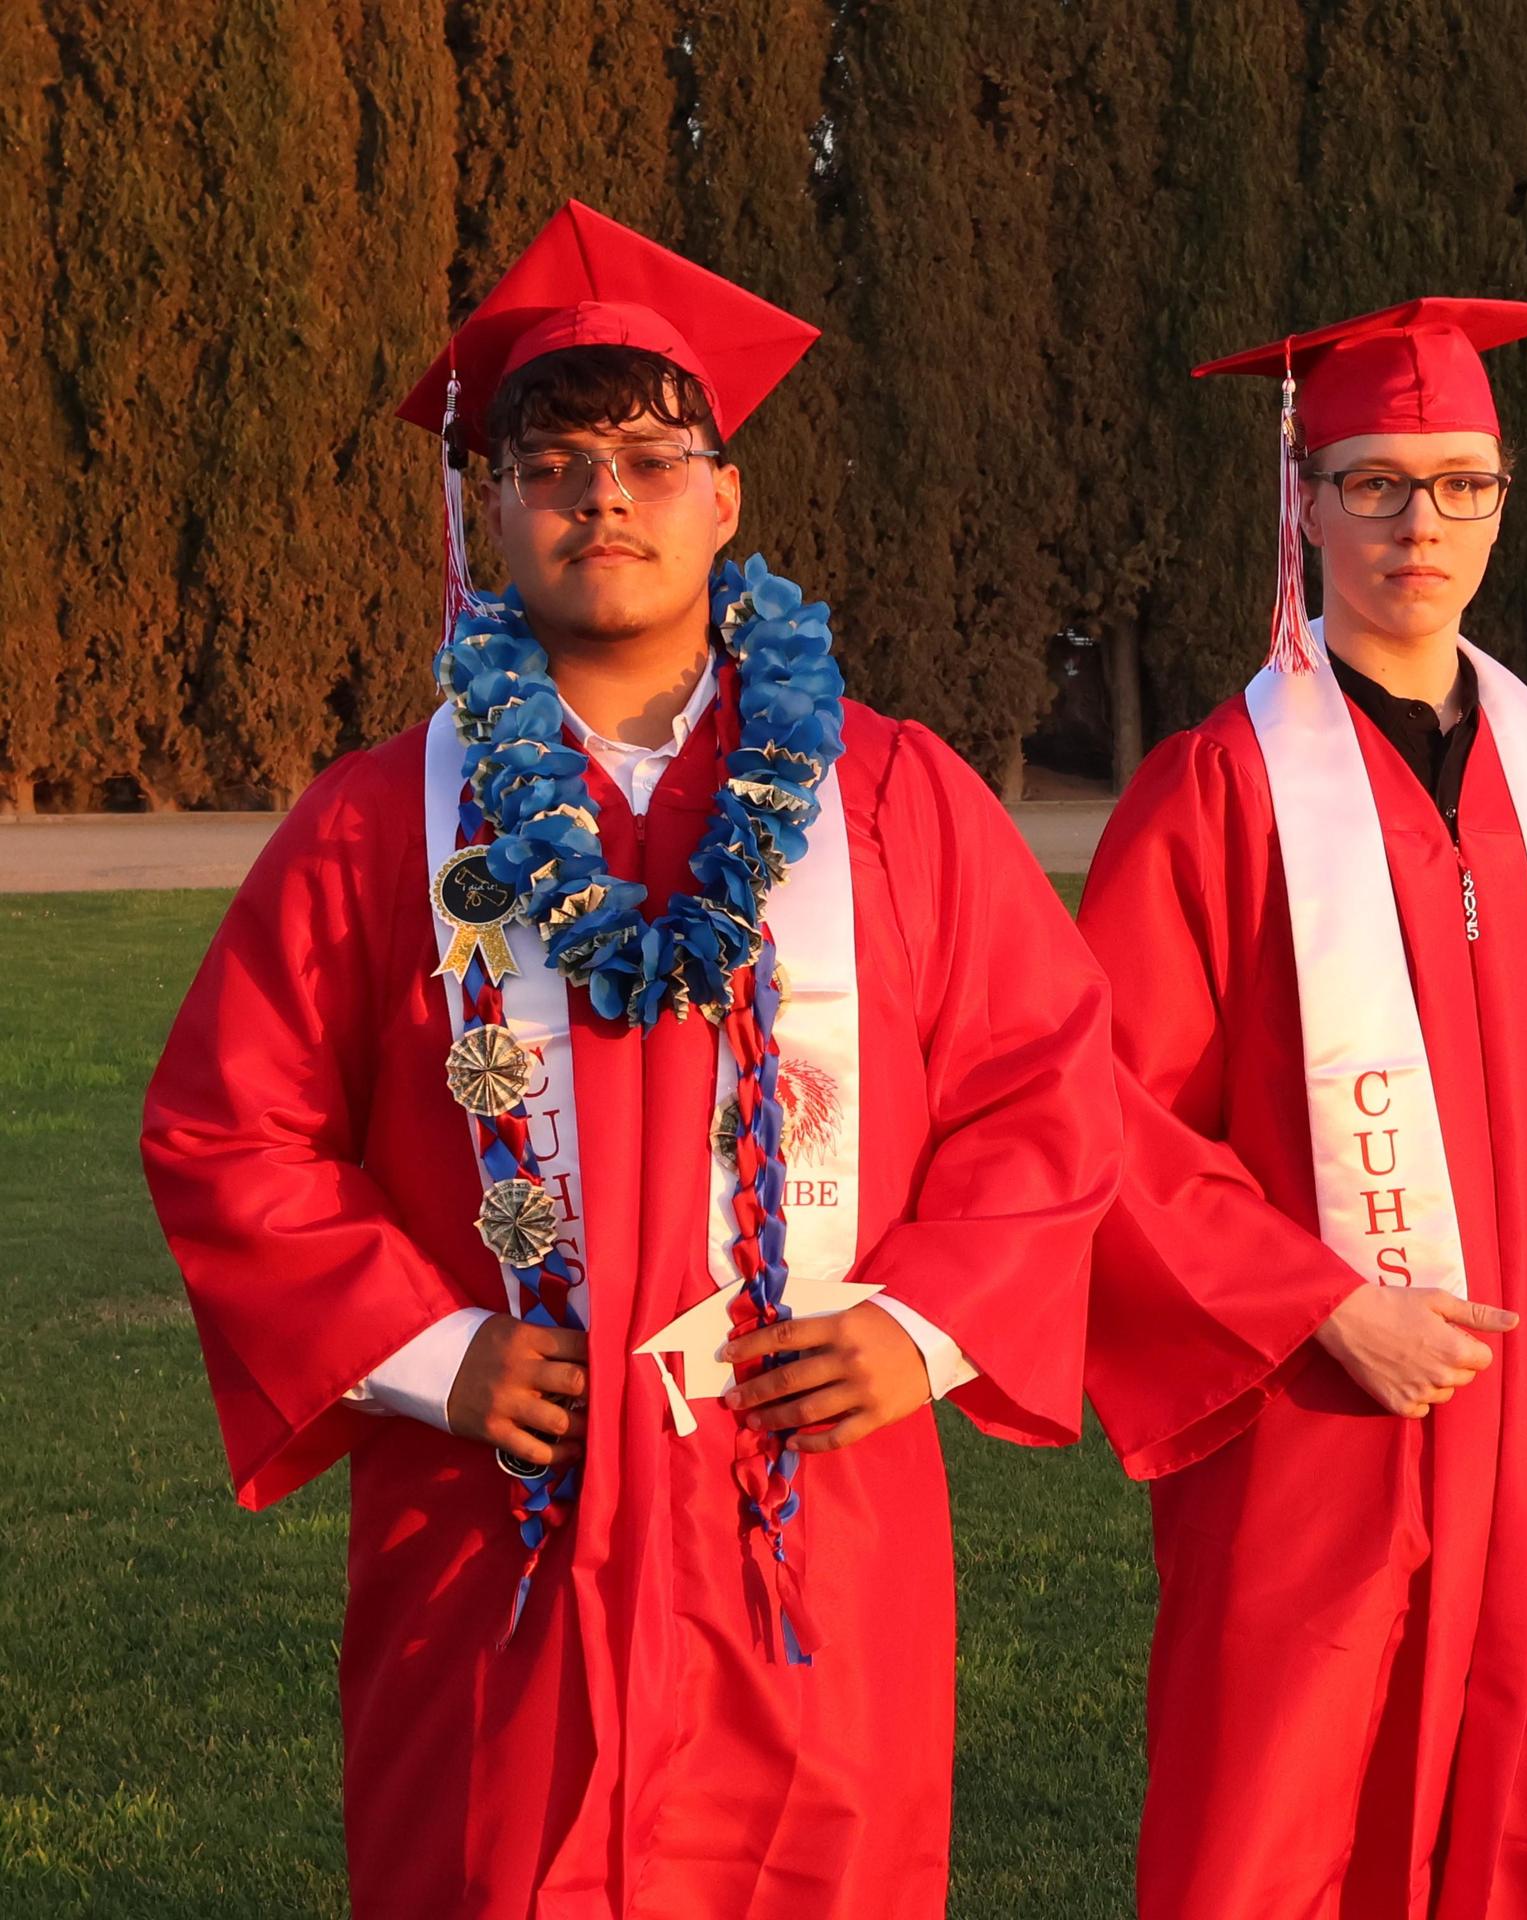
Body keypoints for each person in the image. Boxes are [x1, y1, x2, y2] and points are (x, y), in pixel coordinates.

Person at [142, 199, 1119, 1919]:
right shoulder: (379, 824)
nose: (605, 496)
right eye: (552, 463)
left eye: (655, 460)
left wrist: (922, 1327)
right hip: (500, 1526)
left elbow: (1043, 1087)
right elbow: (233, 1130)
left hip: (806, 1518)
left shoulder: (890, 801)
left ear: (725, 501)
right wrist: (431, 1351)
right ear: (493, 511)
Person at [1079, 298, 1527, 1919]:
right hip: (1323, 1426)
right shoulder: (1216, 790)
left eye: (1460, 485)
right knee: (1279, 1826)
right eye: (1374, 482)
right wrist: (1314, 1305)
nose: (1419, 525)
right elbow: (1112, 1115)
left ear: (1504, 501)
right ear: (1301, 501)